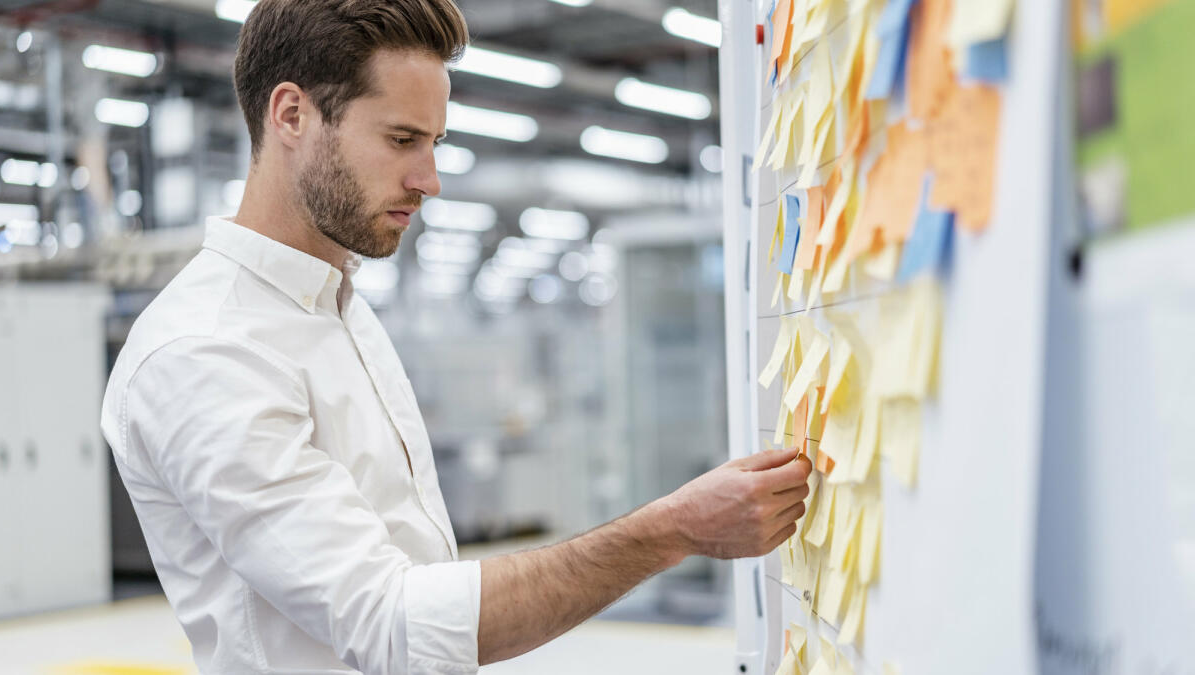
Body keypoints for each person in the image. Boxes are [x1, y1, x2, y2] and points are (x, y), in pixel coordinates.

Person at [100, 1, 813, 673]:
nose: (429, 178)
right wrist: (670, 531)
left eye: (433, 142)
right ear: (292, 114)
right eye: (401, 139)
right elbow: (389, 621)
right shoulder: (205, 349)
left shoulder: (338, 304)